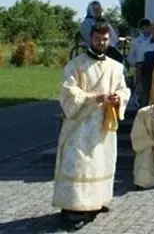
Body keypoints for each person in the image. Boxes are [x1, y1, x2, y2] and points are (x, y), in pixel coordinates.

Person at [53, 22, 130, 232]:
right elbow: (68, 93)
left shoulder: (116, 67)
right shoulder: (75, 65)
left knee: (101, 163)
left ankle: (96, 201)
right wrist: (95, 98)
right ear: (90, 39)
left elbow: (124, 90)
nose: (101, 43)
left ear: (109, 40)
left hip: (104, 125)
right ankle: (73, 208)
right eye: (97, 39)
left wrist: (118, 98)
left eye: (105, 39)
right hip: (80, 125)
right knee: (79, 166)